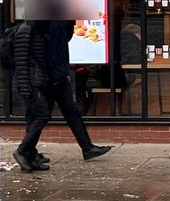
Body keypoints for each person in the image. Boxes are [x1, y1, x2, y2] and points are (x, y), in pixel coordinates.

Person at [12, 19, 112, 171]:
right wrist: (30, 86)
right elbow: (26, 59)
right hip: (48, 78)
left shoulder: (52, 25)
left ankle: (86, 147)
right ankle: (26, 151)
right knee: (40, 115)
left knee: (64, 112)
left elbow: (63, 41)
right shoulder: (35, 27)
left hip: (55, 75)